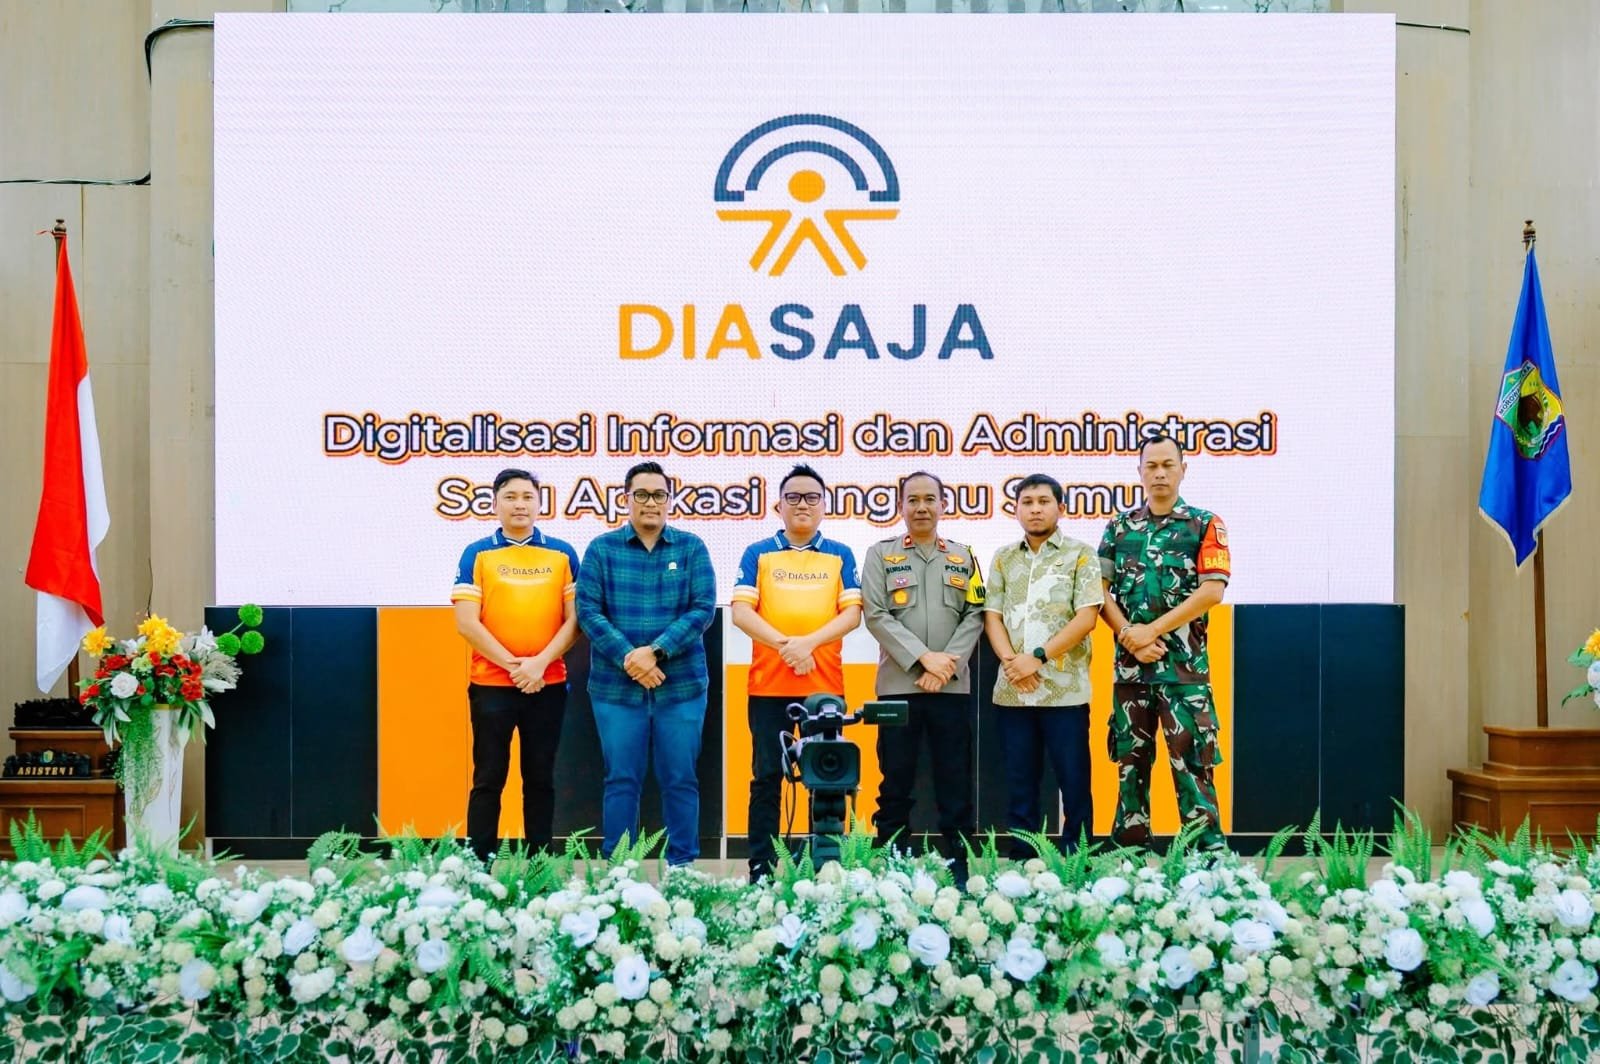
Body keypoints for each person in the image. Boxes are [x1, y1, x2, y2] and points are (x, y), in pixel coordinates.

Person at [576, 461, 716, 867]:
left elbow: (702, 609)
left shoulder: (691, 547)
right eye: (641, 494)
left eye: (659, 495)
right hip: (616, 689)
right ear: (626, 499)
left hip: (681, 687)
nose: (650, 502)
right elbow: (588, 611)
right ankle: (620, 871)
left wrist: (654, 651)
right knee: (621, 780)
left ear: (669, 501)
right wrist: (630, 658)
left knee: (680, 779)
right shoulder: (602, 549)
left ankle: (682, 868)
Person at [1098, 434, 1230, 850]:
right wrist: (1129, 636)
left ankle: (1206, 862)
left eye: (1167, 465)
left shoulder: (1204, 524)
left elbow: (1212, 591)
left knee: (1193, 768)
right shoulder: (1119, 527)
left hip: (1184, 674)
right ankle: (1128, 860)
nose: (1159, 473)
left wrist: (1150, 631)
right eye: (1151, 466)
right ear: (1139, 472)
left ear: (1182, 470)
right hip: (1131, 672)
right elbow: (1099, 593)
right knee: (1129, 770)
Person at [730, 463, 862, 880]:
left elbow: (852, 615)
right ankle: (761, 868)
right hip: (768, 687)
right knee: (766, 778)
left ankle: (826, 868)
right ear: (779, 505)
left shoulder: (840, 554)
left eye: (811, 497)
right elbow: (740, 612)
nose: (802, 504)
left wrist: (807, 645)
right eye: (793, 497)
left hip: (825, 690)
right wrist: (789, 648)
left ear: (824, 505)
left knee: (827, 777)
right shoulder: (758, 553)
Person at [451, 468, 580, 863]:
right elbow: (466, 622)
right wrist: (517, 667)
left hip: (548, 685)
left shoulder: (562, 553)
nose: (519, 504)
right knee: (488, 779)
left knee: (540, 780)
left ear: (540, 504)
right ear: (495, 503)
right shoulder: (477, 553)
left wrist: (539, 665)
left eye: (527, 497)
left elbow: (575, 621)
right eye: (510, 497)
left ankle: (539, 869)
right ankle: (479, 869)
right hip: (491, 686)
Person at [861, 471, 985, 883]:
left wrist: (946, 664)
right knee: (895, 780)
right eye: (912, 500)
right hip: (899, 687)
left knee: (955, 779)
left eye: (929, 499)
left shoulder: (965, 557)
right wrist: (923, 660)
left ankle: (960, 868)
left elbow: (976, 613)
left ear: (943, 505)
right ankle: (890, 866)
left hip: (951, 686)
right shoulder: (881, 554)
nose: (921, 507)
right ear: (900, 506)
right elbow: (876, 615)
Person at [983, 473, 1103, 859]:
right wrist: (1012, 664)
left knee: (1074, 781)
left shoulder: (1081, 554)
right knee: (1020, 782)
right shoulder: (1003, 557)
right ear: (1016, 510)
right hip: (1013, 691)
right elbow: (992, 616)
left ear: (1061, 508)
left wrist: (1035, 659)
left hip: (1064, 691)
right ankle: (1024, 859)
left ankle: (1076, 859)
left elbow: (1086, 617)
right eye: (1027, 502)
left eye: (1043, 501)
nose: (1035, 509)